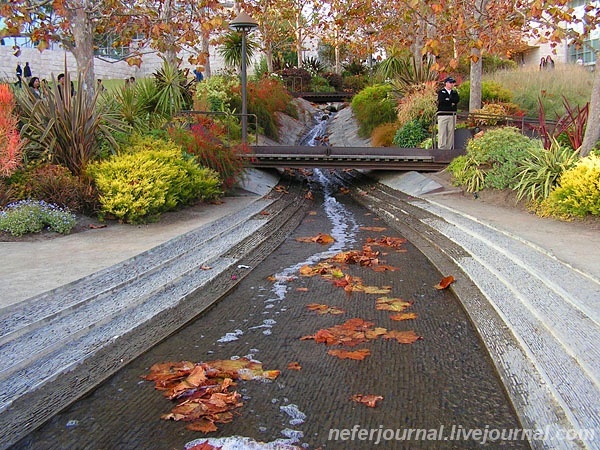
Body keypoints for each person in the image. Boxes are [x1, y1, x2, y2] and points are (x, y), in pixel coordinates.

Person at [437, 76, 459, 150]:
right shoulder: (441, 92)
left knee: (451, 132)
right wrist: (450, 102)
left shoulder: (454, 92)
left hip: (452, 115)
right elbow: (442, 101)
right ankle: (441, 148)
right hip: (443, 115)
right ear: (446, 83)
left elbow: (456, 100)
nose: (452, 84)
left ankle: (449, 148)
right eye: (450, 82)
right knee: (442, 132)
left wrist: (449, 100)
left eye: (453, 83)